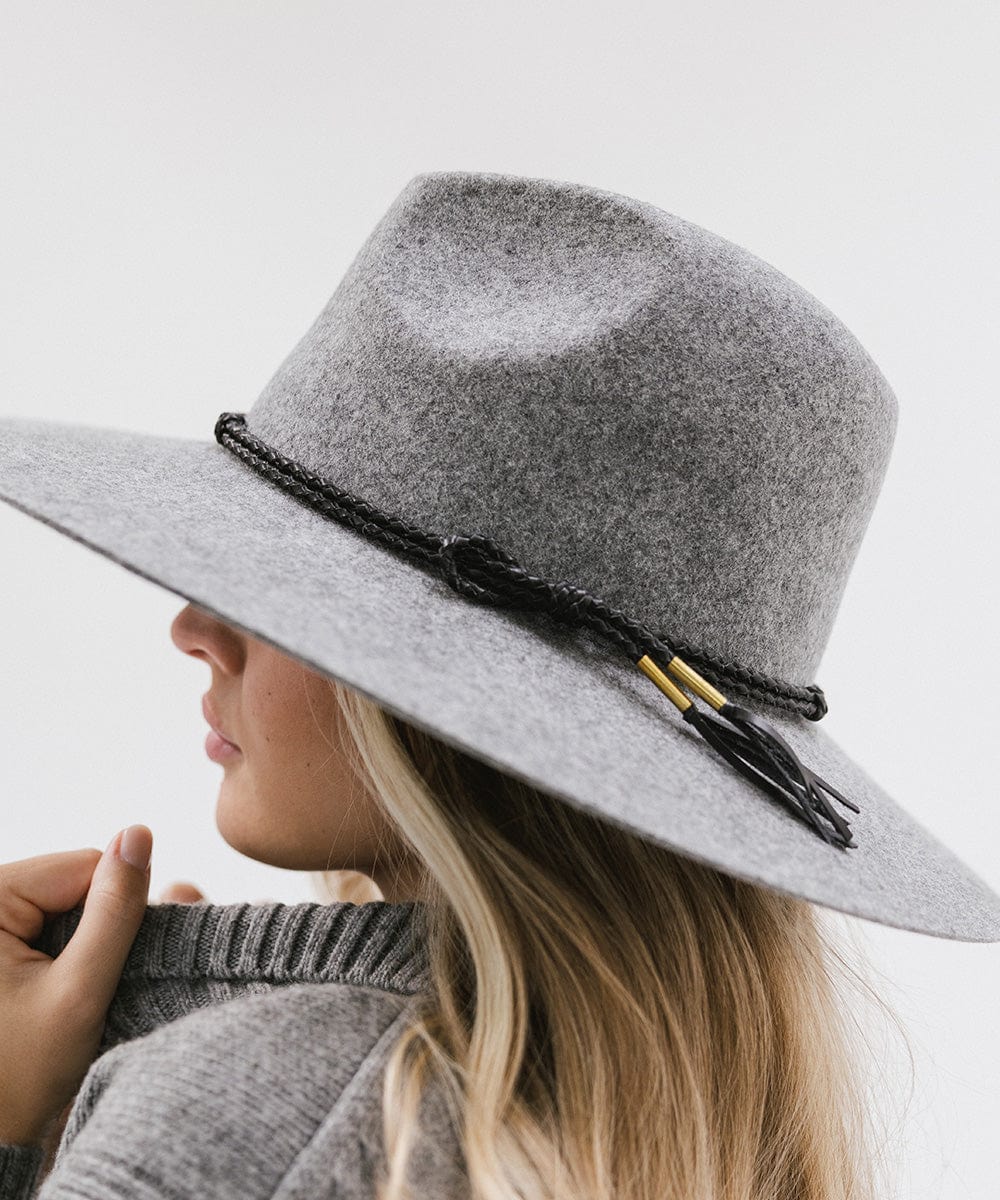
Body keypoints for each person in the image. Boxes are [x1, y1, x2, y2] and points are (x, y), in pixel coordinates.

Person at [1, 169, 998, 1200]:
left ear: (458, 718)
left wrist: (23, 1126)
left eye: (286, 594)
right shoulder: (702, 1131)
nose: (195, 628)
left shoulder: (245, 1118)